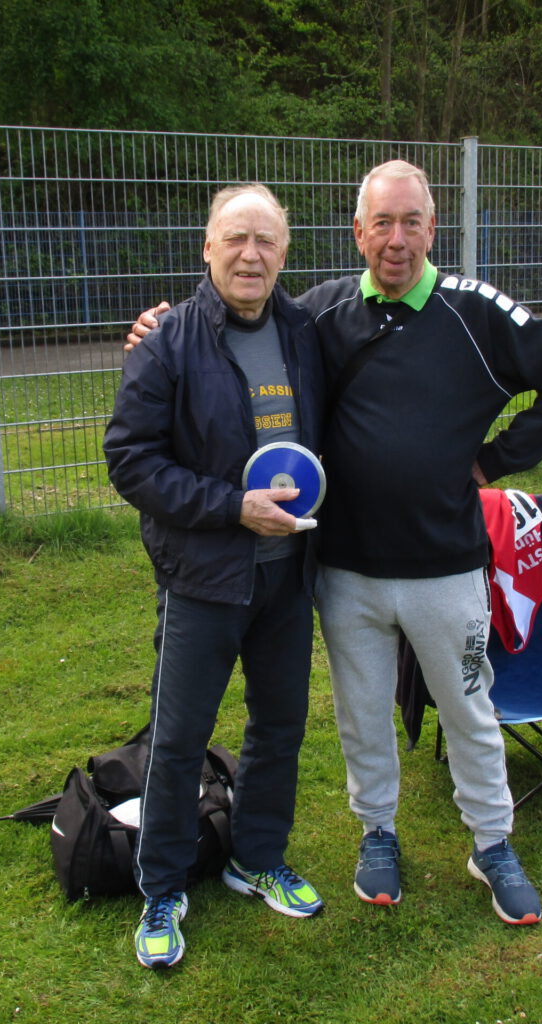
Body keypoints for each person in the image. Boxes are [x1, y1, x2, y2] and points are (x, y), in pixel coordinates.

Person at [125, 160, 542, 927]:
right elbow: (216, 341)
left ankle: (493, 844)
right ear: (357, 232)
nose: (397, 239)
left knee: (469, 710)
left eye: (412, 221)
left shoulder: (466, 310)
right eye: (381, 223)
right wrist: (162, 328)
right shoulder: (322, 314)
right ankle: (375, 835)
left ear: (433, 228)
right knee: (359, 716)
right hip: (342, 570)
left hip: (442, 566)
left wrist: (494, 460)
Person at [104, 183, 325, 970]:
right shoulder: (167, 341)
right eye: (235, 238)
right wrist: (232, 507)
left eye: (266, 240)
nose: (250, 253)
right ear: (207, 248)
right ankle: (160, 883)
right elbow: (130, 460)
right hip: (203, 576)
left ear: (284, 253)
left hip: (288, 577)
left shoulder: (304, 330)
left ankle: (255, 857)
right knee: (179, 738)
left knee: (280, 728)